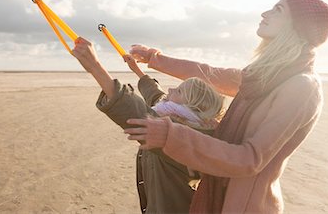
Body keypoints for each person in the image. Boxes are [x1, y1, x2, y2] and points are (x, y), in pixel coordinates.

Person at [124, 0, 328, 214]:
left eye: (278, 10)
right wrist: (154, 59)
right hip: (217, 194)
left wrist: (171, 135)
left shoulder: (301, 87)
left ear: (298, 26)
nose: (265, 14)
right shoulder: (264, 75)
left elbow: (250, 159)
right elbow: (210, 74)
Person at [71, 38, 225, 213]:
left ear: (193, 106)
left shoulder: (183, 137)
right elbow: (155, 95)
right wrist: (136, 70)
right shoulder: (180, 117)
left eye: (179, 91)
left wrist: (95, 67)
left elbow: (134, 111)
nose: (170, 90)